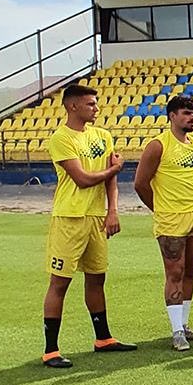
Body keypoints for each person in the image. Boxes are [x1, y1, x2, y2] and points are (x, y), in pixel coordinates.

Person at [41, 84, 135, 369]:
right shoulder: (61, 138)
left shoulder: (102, 136)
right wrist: (114, 169)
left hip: (96, 217)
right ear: (72, 106)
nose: (96, 108)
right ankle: (51, 350)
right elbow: (82, 179)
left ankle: (103, 338)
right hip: (69, 217)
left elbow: (110, 181)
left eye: (96, 103)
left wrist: (112, 211)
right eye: (91, 104)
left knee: (97, 277)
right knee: (60, 282)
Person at [133, 94, 193, 351]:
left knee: (190, 270)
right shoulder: (158, 145)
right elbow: (140, 184)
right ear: (172, 116)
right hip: (170, 220)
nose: (192, 118)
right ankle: (176, 330)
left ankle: (185, 323)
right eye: (186, 113)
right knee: (174, 272)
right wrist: (161, 209)